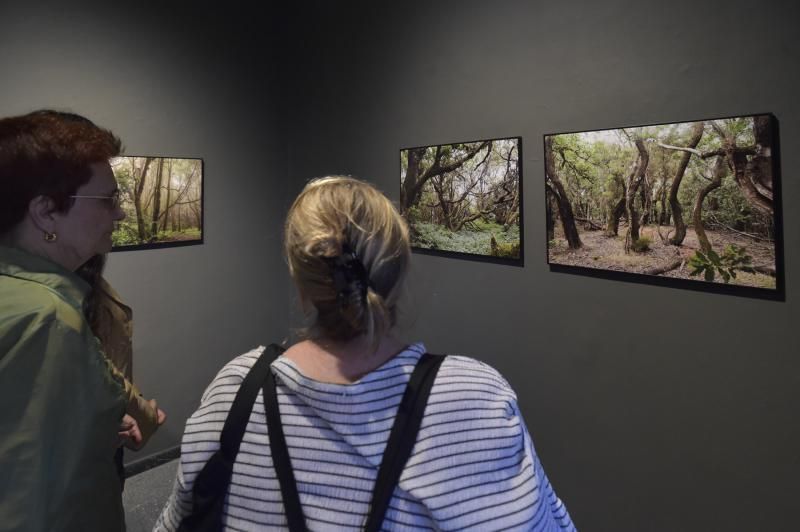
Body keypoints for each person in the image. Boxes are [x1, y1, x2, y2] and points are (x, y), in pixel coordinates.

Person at [157, 176, 576, 531]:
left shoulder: (235, 391)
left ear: (300, 283)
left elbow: (175, 522)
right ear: (400, 269)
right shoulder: (473, 399)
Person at [0, 109, 135, 531]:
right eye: (107, 200)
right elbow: (26, 504)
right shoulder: (48, 319)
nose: (120, 215)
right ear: (46, 213)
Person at [77, 253, 167, 483]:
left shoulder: (82, 278)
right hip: (85, 442)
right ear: (46, 216)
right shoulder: (56, 296)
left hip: (110, 423)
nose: (119, 214)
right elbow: (93, 368)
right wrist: (144, 412)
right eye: (104, 212)